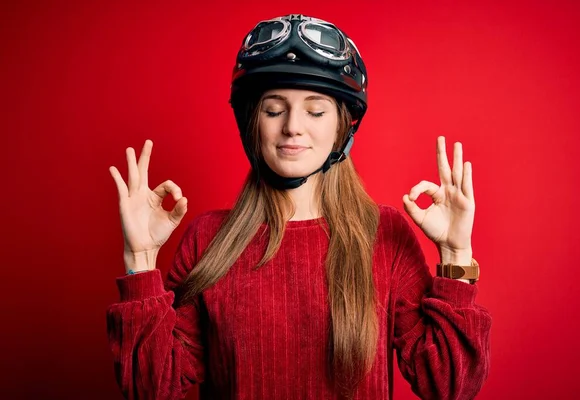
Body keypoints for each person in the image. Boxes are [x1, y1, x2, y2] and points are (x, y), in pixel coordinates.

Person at [106, 14, 491, 400]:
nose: (292, 126)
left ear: (343, 126)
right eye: (274, 110)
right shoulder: (207, 238)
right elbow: (151, 389)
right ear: (251, 123)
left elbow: (448, 386)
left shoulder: (384, 235)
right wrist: (140, 258)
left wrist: (456, 254)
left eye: (315, 111)